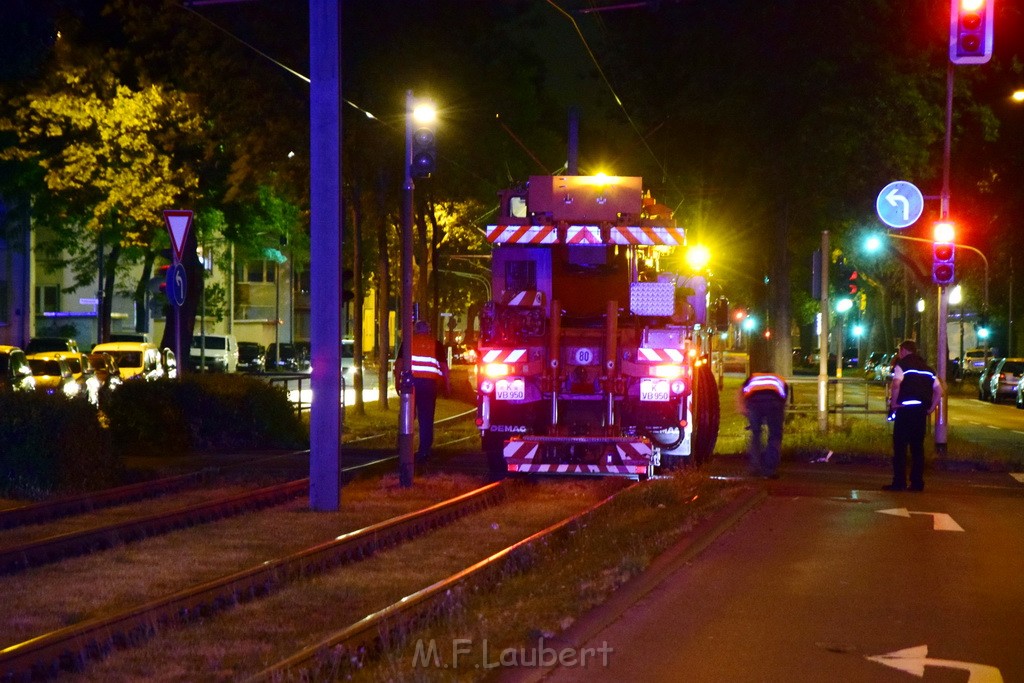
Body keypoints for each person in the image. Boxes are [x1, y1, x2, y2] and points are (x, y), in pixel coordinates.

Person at [886, 339, 942, 492]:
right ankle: (917, 483)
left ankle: (899, 482)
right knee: (918, 448)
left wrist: (894, 403)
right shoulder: (928, 369)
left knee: (900, 447)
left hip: (905, 410)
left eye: (899, 351)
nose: (899, 354)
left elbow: (896, 384)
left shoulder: (902, 366)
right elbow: (939, 391)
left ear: (903, 350)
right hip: (920, 412)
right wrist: (931, 408)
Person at [394, 321, 450, 462]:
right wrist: (447, 384)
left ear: (415, 330)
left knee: (407, 415)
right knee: (426, 418)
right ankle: (424, 450)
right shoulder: (435, 344)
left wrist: (397, 381)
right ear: (429, 330)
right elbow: (443, 367)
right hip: (429, 385)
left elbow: (399, 363)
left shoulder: (408, 343)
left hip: (410, 383)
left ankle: (403, 448)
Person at [740, 371, 789, 478]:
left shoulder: (754, 376)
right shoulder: (779, 378)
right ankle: (769, 469)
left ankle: (755, 467)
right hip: (774, 401)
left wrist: (743, 407)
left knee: (756, 433)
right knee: (775, 435)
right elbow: (784, 398)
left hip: (754, 401)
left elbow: (741, 391)